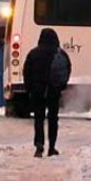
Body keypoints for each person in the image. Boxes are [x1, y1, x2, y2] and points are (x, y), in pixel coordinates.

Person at [22, 28, 71, 158]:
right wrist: (61, 86)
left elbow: (26, 72)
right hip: (54, 90)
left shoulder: (33, 53)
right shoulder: (61, 53)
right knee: (53, 118)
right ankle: (52, 147)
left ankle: (39, 146)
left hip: (38, 90)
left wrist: (29, 89)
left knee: (39, 118)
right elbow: (67, 70)